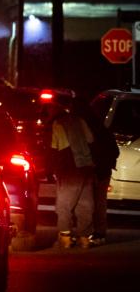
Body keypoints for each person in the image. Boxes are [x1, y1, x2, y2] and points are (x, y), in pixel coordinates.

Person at [49, 102, 95, 249]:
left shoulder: (58, 123)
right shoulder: (80, 120)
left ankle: (65, 238)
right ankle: (84, 238)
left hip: (70, 167)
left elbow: (57, 147)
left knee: (64, 204)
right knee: (85, 203)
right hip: (87, 165)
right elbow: (90, 140)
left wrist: (52, 169)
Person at [76, 101, 120, 246]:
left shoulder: (86, 125)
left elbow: (90, 144)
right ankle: (99, 232)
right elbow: (115, 151)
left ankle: (95, 232)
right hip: (104, 169)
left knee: (93, 202)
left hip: (96, 169)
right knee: (100, 201)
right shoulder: (101, 128)